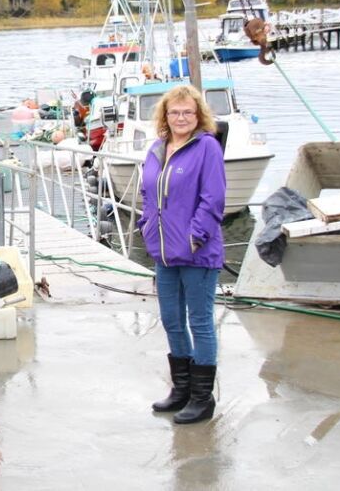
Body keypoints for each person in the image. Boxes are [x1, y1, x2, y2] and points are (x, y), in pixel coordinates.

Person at [137, 84, 226, 425]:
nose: (181, 118)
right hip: (164, 254)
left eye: (188, 112)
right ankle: (182, 389)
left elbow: (213, 199)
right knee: (172, 320)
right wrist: (147, 226)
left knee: (200, 322)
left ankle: (203, 398)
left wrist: (195, 237)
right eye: (175, 112)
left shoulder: (206, 148)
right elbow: (148, 194)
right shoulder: (157, 149)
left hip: (197, 253)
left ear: (199, 115)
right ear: (165, 115)